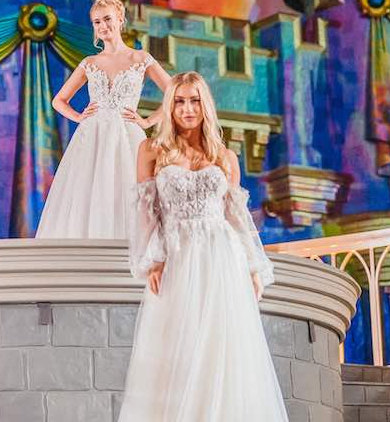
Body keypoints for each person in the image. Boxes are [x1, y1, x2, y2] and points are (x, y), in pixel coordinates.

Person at [119, 71, 287, 421]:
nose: (187, 108)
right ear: (169, 106)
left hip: (221, 257)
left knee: (221, 347)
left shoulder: (224, 157)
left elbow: (236, 216)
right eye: (179, 101)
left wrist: (254, 267)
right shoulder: (152, 150)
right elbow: (146, 210)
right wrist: (155, 260)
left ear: (205, 105)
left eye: (194, 100)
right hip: (177, 254)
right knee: (176, 345)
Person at [36, 0, 171, 238]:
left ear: (120, 19)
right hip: (92, 137)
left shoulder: (140, 58)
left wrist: (148, 121)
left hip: (128, 134)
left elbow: (174, 93)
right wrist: (79, 117)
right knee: (89, 191)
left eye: (107, 19)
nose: (103, 26)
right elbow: (58, 101)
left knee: (129, 187)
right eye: (97, 22)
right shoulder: (90, 62)